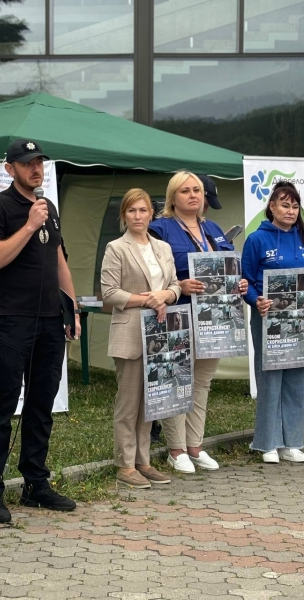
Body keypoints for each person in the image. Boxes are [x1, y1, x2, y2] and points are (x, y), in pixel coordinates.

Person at [0, 139, 80, 523]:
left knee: (41, 405)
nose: (35, 169)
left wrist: (71, 306)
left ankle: (36, 483)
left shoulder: (48, 206)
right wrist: (29, 225)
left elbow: (58, 258)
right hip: (13, 321)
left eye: (39, 162)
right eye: (27, 163)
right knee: (3, 406)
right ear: (10, 168)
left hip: (50, 320)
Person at [149, 171, 248, 474]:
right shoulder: (159, 228)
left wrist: (238, 284)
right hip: (177, 313)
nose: (193, 195)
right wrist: (178, 284)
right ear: (172, 197)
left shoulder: (214, 228)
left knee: (201, 383)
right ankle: (175, 449)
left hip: (215, 319)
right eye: (185, 191)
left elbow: (226, 266)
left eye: (198, 190)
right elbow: (150, 271)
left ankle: (195, 446)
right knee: (176, 379)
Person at [101, 188, 181, 489]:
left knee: (152, 402)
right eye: (132, 211)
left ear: (152, 214)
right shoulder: (116, 248)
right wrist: (145, 300)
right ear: (124, 215)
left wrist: (164, 295)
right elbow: (109, 293)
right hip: (130, 332)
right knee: (129, 402)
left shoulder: (163, 248)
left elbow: (174, 286)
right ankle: (125, 463)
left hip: (159, 332)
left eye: (143, 210)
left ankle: (144, 461)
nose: (138, 216)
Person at [242, 181, 304, 464]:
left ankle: (292, 441)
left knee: (296, 378)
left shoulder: (302, 236)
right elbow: (245, 282)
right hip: (267, 317)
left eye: (294, 206)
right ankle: (267, 442)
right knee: (270, 377)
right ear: (272, 207)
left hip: (298, 319)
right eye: (284, 205)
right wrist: (256, 300)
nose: (290, 211)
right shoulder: (257, 239)